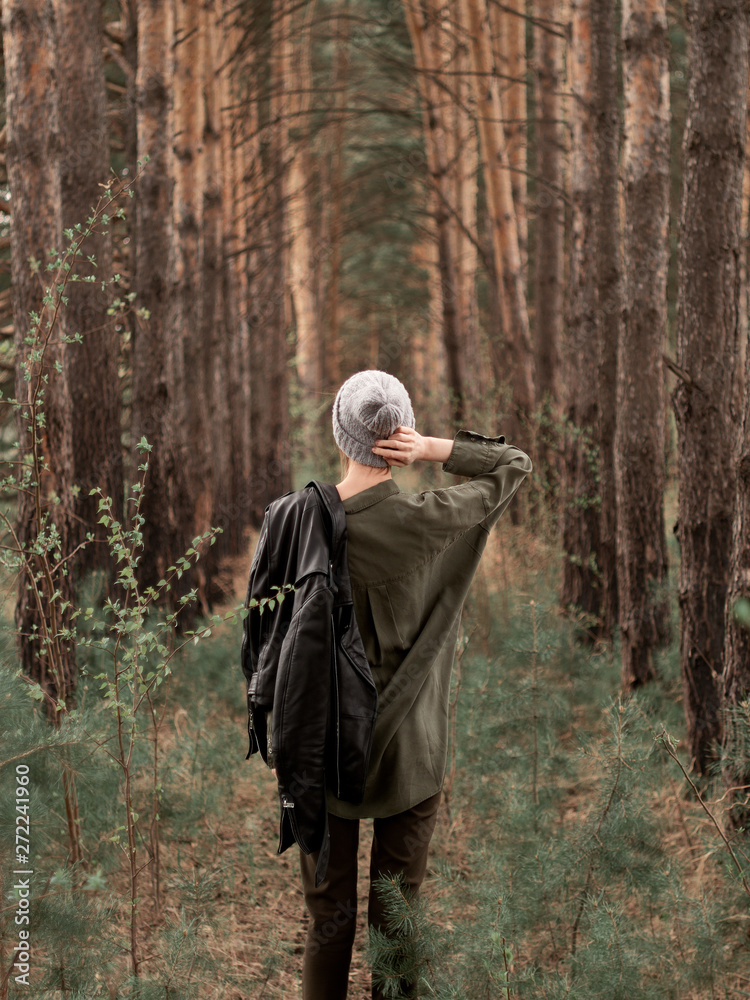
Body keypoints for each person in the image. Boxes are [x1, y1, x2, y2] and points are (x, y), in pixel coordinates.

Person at [289, 370, 532, 1000]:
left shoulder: (298, 524)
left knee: (327, 922)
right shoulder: (430, 518)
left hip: (322, 755)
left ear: (339, 435)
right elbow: (514, 463)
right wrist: (430, 449)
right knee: (397, 923)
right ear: (399, 437)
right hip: (409, 754)